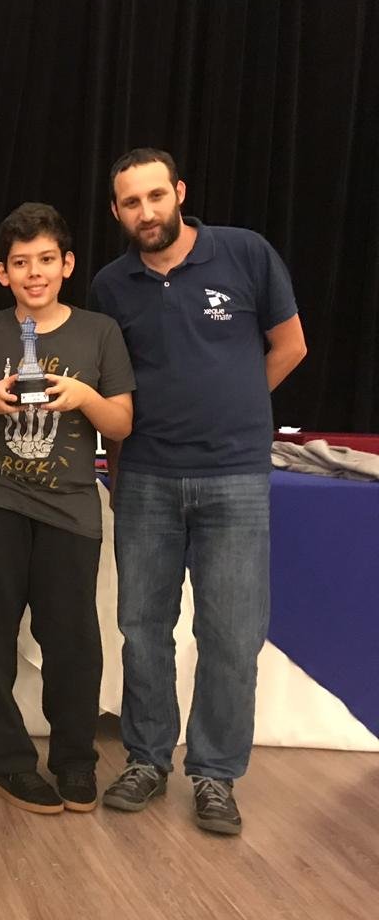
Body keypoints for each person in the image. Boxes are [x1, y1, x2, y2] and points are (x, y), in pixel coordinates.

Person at [91, 148, 307, 835]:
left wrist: (238, 405)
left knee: (232, 635)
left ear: (179, 192)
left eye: (156, 195)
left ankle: (215, 775)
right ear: (117, 211)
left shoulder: (245, 253)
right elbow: (113, 385)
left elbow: (290, 345)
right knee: (142, 630)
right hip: (146, 476)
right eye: (132, 202)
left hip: (235, 476)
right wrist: (119, 470)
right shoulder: (110, 285)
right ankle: (147, 760)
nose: (147, 211)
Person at [0, 202, 134, 814]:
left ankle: (75, 760)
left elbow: (122, 423)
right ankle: (5, 761)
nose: (35, 273)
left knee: (72, 640)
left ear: (67, 265)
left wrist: (83, 395)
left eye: (46, 260)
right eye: (21, 262)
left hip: (71, 508)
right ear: (2, 273)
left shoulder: (99, 332)